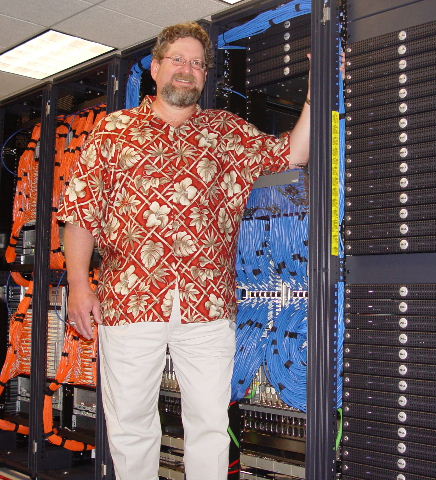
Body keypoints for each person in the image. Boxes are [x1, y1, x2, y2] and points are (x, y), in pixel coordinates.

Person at [57, 21, 310, 480]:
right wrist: (78, 283)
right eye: (178, 59)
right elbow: (80, 212)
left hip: (207, 306)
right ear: (156, 68)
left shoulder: (225, 132)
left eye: (197, 63)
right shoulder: (113, 132)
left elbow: (291, 154)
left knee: (210, 425)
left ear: (204, 76)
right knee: (130, 423)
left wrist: (314, 96)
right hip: (130, 300)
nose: (187, 69)